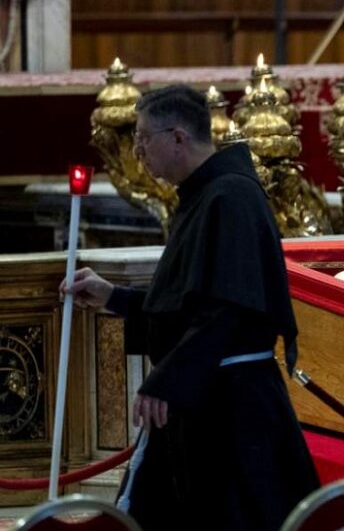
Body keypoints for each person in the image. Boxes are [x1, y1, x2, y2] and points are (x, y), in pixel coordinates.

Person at [60, 85, 319, 530]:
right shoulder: (203, 196)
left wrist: (167, 381)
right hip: (205, 396)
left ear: (178, 137)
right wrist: (113, 296)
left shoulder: (230, 198)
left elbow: (228, 311)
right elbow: (189, 306)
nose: (137, 150)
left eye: (143, 137)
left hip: (233, 411)